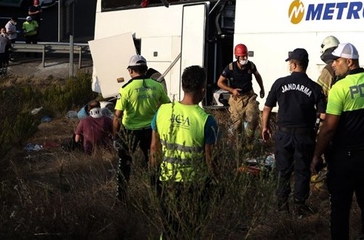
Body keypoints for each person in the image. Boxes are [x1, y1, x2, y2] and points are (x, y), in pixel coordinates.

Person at [311, 42, 364, 240]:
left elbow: (329, 128)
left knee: (340, 208)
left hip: (344, 159)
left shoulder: (339, 88)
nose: (333, 65)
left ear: (349, 62)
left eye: (337, 61)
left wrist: (316, 155)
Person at [150, 65, 219, 238]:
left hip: (167, 179)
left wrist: (153, 175)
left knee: (168, 226)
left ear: (183, 86)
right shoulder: (206, 121)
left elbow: (154, 148)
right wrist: (216, 182)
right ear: (203, 89)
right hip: (195, 184)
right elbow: (210, 159)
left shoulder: (162, 111)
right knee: (192, 228)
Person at [262, 48, 326, 216]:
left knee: (283, 171)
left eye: (290, 63)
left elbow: (267, 107)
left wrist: (265, 127)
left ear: (294, 64)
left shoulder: (279, 83)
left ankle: (282, 208)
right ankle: (299, 206)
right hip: (304, 136)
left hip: (283, 135)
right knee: (302, 171)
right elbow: (323, 114)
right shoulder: (315, 87)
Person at [113, 54, 171, 201]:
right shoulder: (157, 86)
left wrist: (115, 136)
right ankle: (157, 196)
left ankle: (122, 198)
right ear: (145, 69)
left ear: (131, 71)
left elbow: (117, 116)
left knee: (124, 165)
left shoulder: (126, 89)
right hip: (152, 131)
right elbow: (167, 106)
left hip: (130, 132)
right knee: (153, 164)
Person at [216, 43, 265, 142]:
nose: (245, 58)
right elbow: (220, 82)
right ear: (237, 56)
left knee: (253, 118)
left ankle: (249, 140)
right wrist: (232, 90)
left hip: (249, 97)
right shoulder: (230, 68)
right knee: (237, 125)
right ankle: (240, 144)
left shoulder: (251, 65)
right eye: (242, 56)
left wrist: (262, 88)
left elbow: (257, 75)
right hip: (236, 99)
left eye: (246, 55)